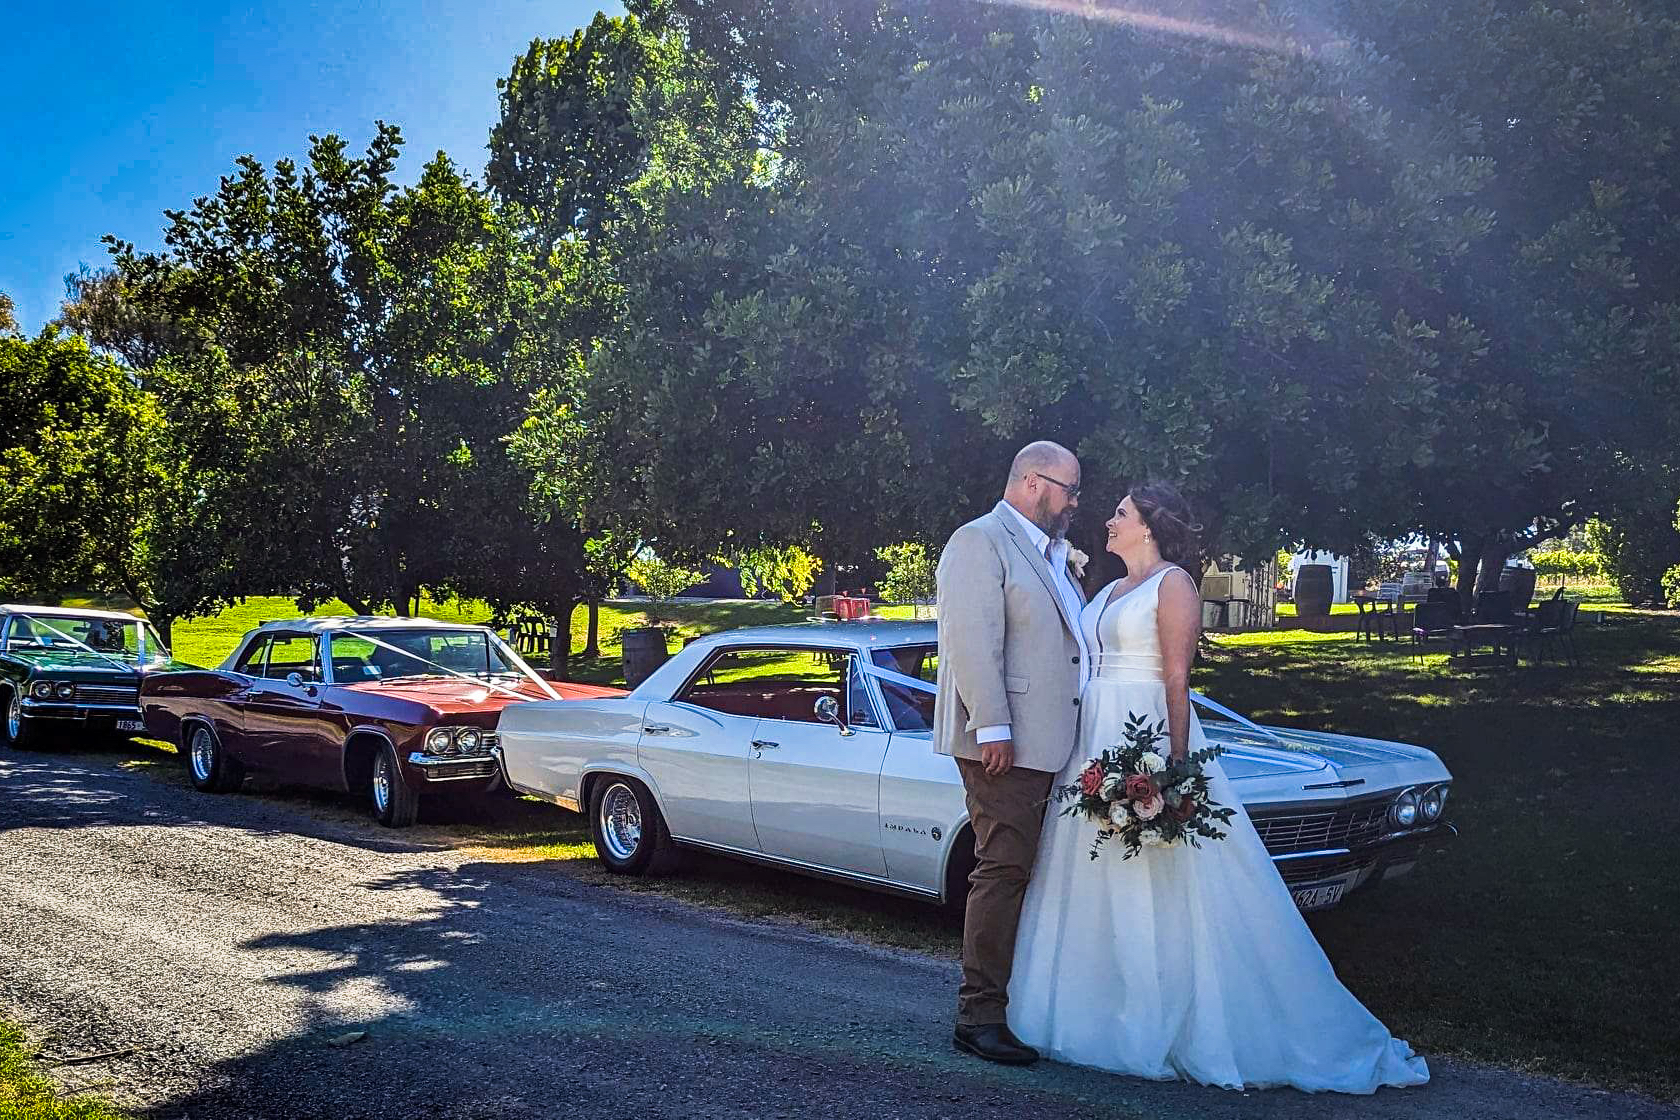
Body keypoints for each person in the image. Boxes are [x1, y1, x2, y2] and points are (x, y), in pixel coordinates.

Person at [1006, 482, 1430, 1092]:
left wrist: (1175, 768)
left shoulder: (1172, 584)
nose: (1108, 521)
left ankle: (1163, 1016)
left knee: (1158, 874)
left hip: (1145, 729)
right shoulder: (1107, 589)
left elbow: (1177, 679)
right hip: (1092, 737)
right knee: (1092, 869)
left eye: (1120, 513)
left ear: (1148, 525)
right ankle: (1091, 1010)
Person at [933, 440, 1088, 1066]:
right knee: (1001, 871)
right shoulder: (980, 541)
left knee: (1024, 872)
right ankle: (979, 1017)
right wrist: (992, 725)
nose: (1075, 503)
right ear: (1033, 482)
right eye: (1069, 490)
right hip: (1005, 746)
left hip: (1051, 744)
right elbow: (971, 640)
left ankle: (1020, 1004)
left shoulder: (1052, 554)